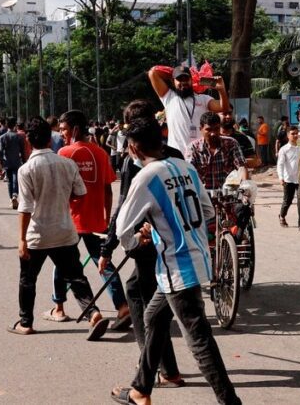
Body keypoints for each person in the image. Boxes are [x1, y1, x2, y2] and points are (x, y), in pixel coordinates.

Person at [112, 117, 240, 405]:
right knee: (153, 317)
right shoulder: (186, 167)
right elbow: (207, 211)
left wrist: (137, 242)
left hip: (177, 267)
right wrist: (161, 227)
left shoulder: (146, 176)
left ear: (133, 148)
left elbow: (122, 228)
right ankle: (141, 389)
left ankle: (230, 401)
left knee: (199, 341)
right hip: (195, 259)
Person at [99, 100, 185, 391]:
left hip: (150, 241)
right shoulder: (176, 156)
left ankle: (151, 367)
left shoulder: (136, 162)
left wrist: (107, 247)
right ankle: (166, 368)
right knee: (154, 302)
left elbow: (123, 209)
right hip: (176, 242)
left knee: (140, 293)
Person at [8, 116, 109, 340]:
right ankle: (93, 313)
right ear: (49, 140)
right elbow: (80, 192)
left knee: (28, 279)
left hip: (38, 234)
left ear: (29, 142)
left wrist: (22, 240)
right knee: (76, 277)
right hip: (64, 231)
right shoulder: (67, 164)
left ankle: (26, 322)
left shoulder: (26, 170)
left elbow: (25, 208)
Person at [46, 110, 129, 328]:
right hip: (96, 220)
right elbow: (108, 189)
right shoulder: (101, 153)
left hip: (70, 220)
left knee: (62, 265)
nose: (62, 134)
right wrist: (107, 218)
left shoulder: (64, 153)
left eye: (64, 129)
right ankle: (122, 306)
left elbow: (59, 189)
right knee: (105, 263)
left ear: (74, 129)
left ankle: (59, 307)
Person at [148, 64, 229, 158]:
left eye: (186, 79)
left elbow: (223, 108)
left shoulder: (203, 99)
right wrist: (173, 73)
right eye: (179, 79)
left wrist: (221, 90)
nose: (183, 82)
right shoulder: (168, 97)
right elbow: (152, 73)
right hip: (176, 156)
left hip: (199, 156)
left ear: (191, 80)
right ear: (173, 81)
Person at [188, 111, 249, 191]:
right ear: (201, 129)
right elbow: (188, 170)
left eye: (216, 129)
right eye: (208, 130)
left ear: (220, 127)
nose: (213, 133)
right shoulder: (193, 148)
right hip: (204, 198)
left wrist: (245, 186)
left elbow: (241, 166)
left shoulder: (231, 143)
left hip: (228, 196)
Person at [277, 125, 300, 229]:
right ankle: (282, 216)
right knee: (287, 201)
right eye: (292, 134)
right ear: (288, 135)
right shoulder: (284, 150)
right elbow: (280, 164)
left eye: (296, 133)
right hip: (288, 179)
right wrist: (281, 177)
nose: (295, 135)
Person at [0, 117, 27, 209]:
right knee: (16, 179)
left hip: (7, 162)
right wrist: (24, 160)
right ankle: (15, 195)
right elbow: (22, 150)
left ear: (7, 125)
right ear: (15, 125)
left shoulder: (2, 137)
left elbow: (0, 151)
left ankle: (11, 198)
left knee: (9, 181)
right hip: (17, 162)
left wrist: (0, 161)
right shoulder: (19, 137)